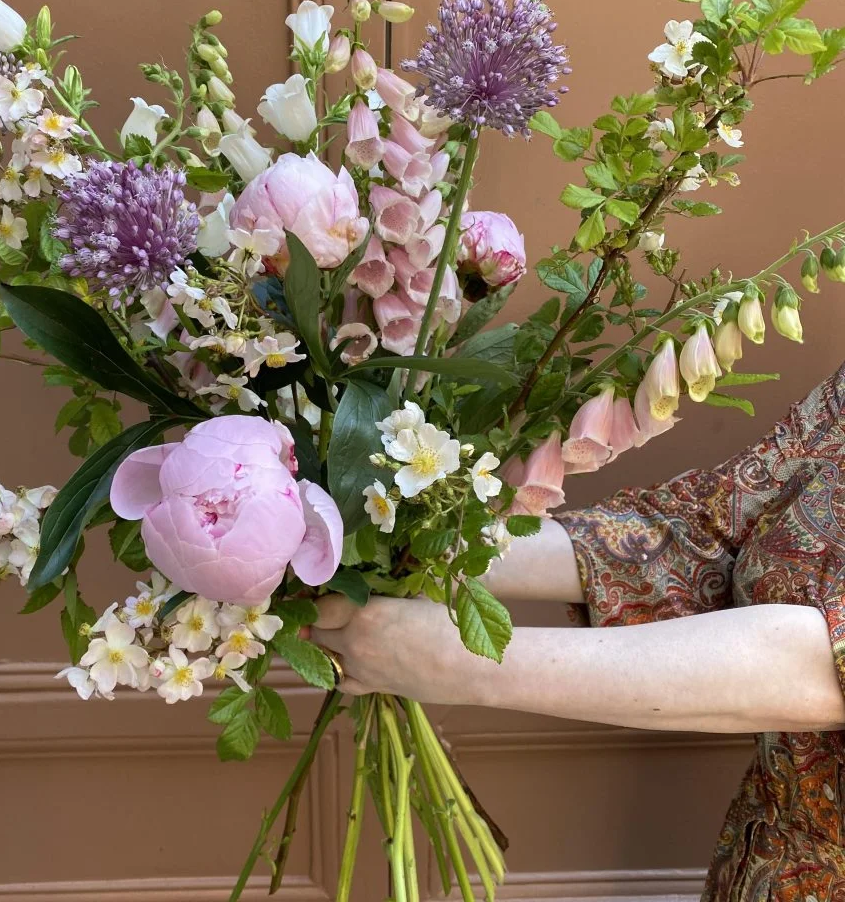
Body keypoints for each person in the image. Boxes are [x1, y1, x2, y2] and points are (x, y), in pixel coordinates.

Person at [309, 360, 845, 902]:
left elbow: (820, 663)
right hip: (764, 869)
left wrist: (453, 660)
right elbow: (708, 532)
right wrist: (426, 546)